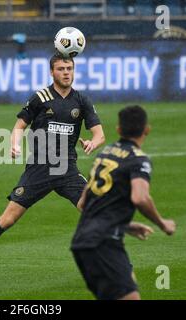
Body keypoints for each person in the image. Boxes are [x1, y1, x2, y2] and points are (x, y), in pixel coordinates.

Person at [0, 54, 106, 285]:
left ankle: (115, 261)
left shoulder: (81, 100)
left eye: (70, 68)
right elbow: (19, 125)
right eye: (61, 68)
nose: (66, 72)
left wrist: (94, 142)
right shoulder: (40, 98)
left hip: (67, 170)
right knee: (7, 219)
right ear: (52, 72)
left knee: (93, 210)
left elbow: (100, 133)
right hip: (38, 170)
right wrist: (14, 143)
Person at [71, 105, 176, 300]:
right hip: (103, 243)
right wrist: (163, 224)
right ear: (147, 129)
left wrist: (124, 225)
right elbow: (140, 197)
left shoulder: (106, 153)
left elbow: (85, 202)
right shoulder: (138, 160)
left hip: (82, 242)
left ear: (119, 129)